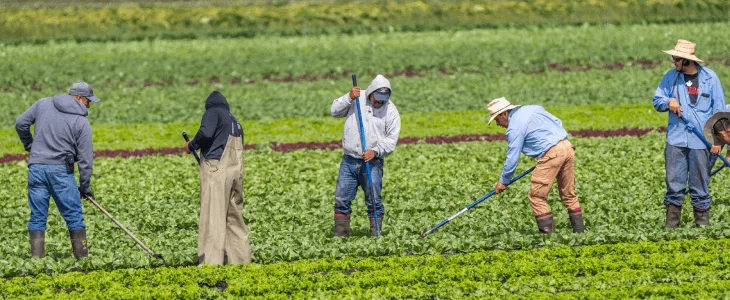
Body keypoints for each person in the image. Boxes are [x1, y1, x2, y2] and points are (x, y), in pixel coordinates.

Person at [15, 81, 99, 258]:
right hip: (61, 171)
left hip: (36, 169)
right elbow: (85, 160)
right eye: (88, 100)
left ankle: (36, 261)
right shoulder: (82, 122)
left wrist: (30, 145)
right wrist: (85, 187)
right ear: (78, 98)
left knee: (37, 216)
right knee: (74, 216)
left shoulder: (42, 103)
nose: (89, 105)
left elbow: (20, 124)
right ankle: (83, 261)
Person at [653, 39, 726, 228]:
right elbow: (657, 100)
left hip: (701, 142)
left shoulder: (710, 78)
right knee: (674, 185)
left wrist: (716, 139)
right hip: (676, 140)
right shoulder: (670, 77)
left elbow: (718, 112)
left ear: (686, 61)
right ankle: (672, 228)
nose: (673, 62)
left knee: (700, 186)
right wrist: (669, 101)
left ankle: (702, 228)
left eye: (676, 59)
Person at [488, 97, 584, 234]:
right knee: (568, 193)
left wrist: (503, 181)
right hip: (567, 146)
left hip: (552, 153)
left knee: (537, 197)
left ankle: (547, 238)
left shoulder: (514, 126)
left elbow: (512, 157)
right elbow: (558, 122)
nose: (498, 124)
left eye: (496, 119)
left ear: (503, 114)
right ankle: (580, 233)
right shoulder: (533, 108)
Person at [185, 91, 251, 265]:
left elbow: (206, 133)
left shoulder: (212, 112)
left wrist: (192, 144)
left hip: (217, 171)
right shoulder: (235, 121)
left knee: (213, 216)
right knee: (234, 217)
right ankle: (240, 260)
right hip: (236, 172)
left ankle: (210, 263)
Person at [330, 75, 401, 237]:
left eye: (383, 100)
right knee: (342, 199)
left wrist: (375, 151)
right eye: (377, 99)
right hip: (349, 161)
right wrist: (348, 97)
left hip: (373, 162)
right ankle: (341, 237)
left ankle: (376, 236)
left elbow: (391, 141)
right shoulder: (357, 98)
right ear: (370, 93)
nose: (379, 103)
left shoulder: (391, 111)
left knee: (374, 201)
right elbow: (334, 111)